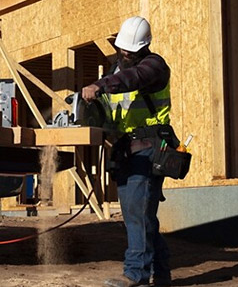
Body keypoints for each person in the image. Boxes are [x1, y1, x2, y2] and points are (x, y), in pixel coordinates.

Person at [82, 16, 174, 287]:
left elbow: (133, 78)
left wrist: (100, 85)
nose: (124, 54)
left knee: (137, 213)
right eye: (122, 49)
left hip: (149, 149)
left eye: (130, 50)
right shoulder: (116, 69)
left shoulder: (154, 66)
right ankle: (162, 271)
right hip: (127, 150)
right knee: (141, 215)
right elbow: (112, 98)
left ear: (143, 47)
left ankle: (136, 275)